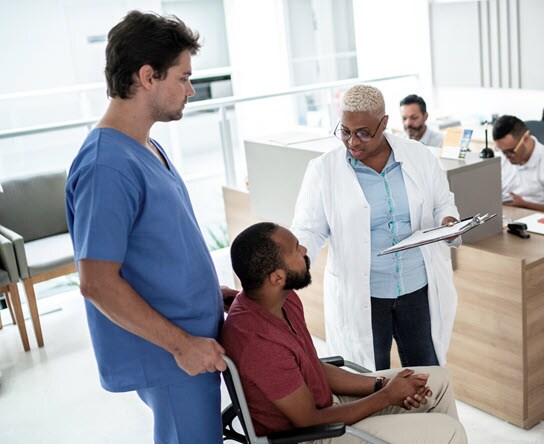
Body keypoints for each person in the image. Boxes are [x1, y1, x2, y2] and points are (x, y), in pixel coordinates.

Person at [65, 11, 234, 444]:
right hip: (173, 357)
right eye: (183, 76)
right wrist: (182, 345)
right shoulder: (107, 166)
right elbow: (97, 283)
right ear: (147, 76)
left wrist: (207, 296)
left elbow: (158, 248)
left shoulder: (145, 145)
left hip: (189, 342)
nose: (191, 90)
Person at [222, 222, 467, 443]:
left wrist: (381, 385)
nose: (304, 251)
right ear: (277, 278)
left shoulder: (284, 300)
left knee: (438, 382)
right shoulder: (258, 343)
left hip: (328, 405)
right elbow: (308, 420)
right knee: (449, 431)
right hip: (310, 436)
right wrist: (387, 397)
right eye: (296, 250)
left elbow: (313, 367)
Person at [291, 84, 460, 371]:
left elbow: (443, 203)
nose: (353, 141)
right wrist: (295, 257)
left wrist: (448, 222)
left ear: (384, 124)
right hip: (365, 293)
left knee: (426, 372)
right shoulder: (324, 169)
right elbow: (309, 228)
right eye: (345, 131)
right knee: (370, 377)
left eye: (363, 133)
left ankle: (426, 418)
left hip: (416, 286)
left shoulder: (419, 155)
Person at [492, 115, 544, 216]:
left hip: (539, 221)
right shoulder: (501, 158)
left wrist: (524, 204)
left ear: (526, 138)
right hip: (506, 217)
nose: (507, 156)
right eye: (502, 151)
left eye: (511, 151)